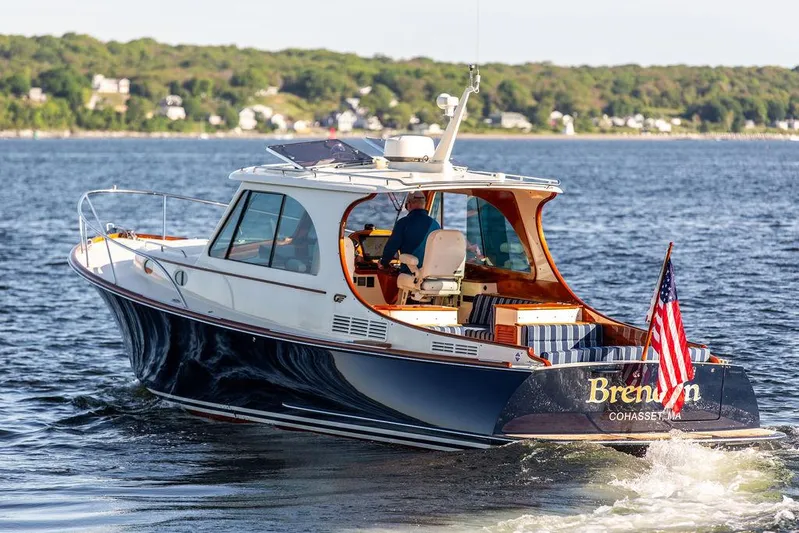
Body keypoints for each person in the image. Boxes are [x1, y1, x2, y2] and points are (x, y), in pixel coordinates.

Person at [379, 191, 440, 274]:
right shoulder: (435, 224)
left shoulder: (403, 223)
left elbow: (392, 247)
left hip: (410, 272)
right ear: (424, 205)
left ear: (409, 204)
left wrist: (383, 263)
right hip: (431, 272)